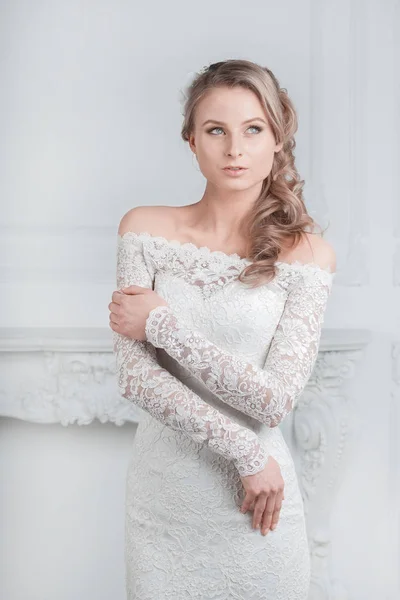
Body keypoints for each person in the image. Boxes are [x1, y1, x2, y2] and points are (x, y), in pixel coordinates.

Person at [108, 58, 336, 599]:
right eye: (217, 130)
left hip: (257, 505)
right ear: (191, 141)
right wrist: (246, 452)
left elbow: (273, 402)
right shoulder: (142, 229)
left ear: (278, 139)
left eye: (253, 130)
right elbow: (135, 379)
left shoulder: (308, 256)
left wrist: (162, 324)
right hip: (165, 498)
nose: (235, 148)